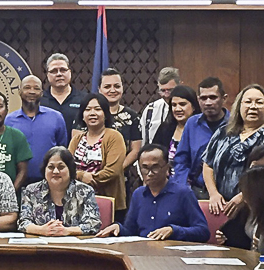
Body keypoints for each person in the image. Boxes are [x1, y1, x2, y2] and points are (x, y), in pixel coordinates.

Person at [203, 84, 264, 217]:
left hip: (257, 208)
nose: (253, 107)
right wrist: (213, 194)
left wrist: (244, 196)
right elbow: (207, 165)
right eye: (248, 102)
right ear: (239, 106)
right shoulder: (223, 131)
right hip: (219, 206)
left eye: (259, 102)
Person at [101, 144, 209, 242]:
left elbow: (203, 232)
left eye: (155, 167)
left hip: (172, 255)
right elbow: (131, 231)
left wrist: (173, 230)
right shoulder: (138, 194)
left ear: (167, 167)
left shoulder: (183, 193)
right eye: (145, 168)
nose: (150, 173)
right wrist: (119, 228)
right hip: (142, 253)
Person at [215, 144, 264, 250]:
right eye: (254, 167)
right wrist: (224, 238)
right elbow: (234, 237)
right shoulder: (246, 199)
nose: (257, 173)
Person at [18, 146, 102, 236]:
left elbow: (93, 223)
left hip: (75, 246)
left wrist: (67, 231)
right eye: (51, 167)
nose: (55, 171)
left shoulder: (85, 191)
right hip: (42, 245)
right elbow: (23, 222)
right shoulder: (31, 191)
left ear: (70, 169)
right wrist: (41, 230)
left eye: (61, 167)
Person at [68, 93, 127, 213]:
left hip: (108, 203)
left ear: (105, 114)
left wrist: (88, 179)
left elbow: (112, 171)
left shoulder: (114, 137)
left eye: (98, 109)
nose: (92, 113)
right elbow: (67, 168)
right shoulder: (77, 139)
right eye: (88, 109)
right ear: (82, 115)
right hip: (77, 202)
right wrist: (82, 176)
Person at [172, 76, 230, 197]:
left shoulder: (235, 124)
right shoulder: (192, 124)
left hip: (227, 193)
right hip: (197, 191)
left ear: (224, 99)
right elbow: (181, 160)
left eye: (213, 97)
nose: (208, 102)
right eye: (203, 98)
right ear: (198, 100)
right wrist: (183, 188)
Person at [5, 75, 67, 184]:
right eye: (27, 87)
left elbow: (62, 148)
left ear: (42, 93)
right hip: (18, 181)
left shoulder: (56, 117)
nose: (32, 91)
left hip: (49, 181)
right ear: (20, 92)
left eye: (36, 88)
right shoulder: (9, 120)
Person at [99, 68, 143, 199]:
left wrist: (115, 170)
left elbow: (136, 150)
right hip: (91, 178)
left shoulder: (132, 117)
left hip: (121, 179)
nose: (112, 90)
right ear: (99, 89)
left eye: (116, 86)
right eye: (107, 86)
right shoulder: (89, 114)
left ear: (122, 88)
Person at [0, 91, 32, 190]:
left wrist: (10, 193)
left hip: (10, 196)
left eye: (0, 106)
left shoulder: (17, 136)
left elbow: (23, 171)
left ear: (7, 110)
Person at [41, 52, 87, 139]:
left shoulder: (84, 99)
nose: (59, 74)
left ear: (69, 72)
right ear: (47, 75)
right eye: (54, 71)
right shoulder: (40, 101)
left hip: (77, 151)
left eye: (63, 70)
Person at [153, 85, 199, 166]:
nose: (177, 109)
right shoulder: (165, 129)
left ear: (194, 106)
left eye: (182, 104)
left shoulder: (203, 129)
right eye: (174, 105)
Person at [140, 67, 181, 146]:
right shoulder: (150, 110)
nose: (166, 95)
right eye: (162, 90)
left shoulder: (188, 108)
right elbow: (143, 141)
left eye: (170, 90)